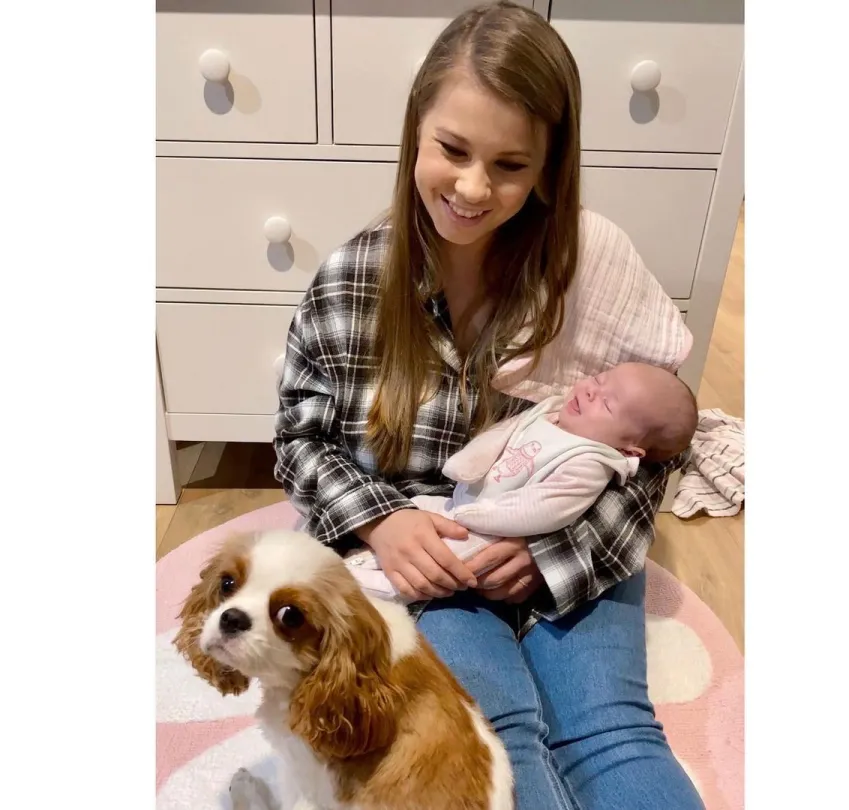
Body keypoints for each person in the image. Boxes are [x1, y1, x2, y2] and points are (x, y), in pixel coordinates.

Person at [274, 2, 705, 807]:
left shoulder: (592, 261)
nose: (472, 188)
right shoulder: (353, 282)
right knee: (492, 729)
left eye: (509, 165)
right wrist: (383, 521)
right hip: (437, 553)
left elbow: (663, 441)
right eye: (452, 150)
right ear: (415, 133)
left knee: (610, 730)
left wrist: (560, 551)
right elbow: (301, 440)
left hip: (575, 537)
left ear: (548, 167)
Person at [343, 362, 699, 604]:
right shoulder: (553, 411)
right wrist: (463, 467)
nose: (590, 391)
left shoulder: (591, 460)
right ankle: (364, 558)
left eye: (606, 404)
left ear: (628, 447)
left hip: (493, 531)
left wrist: (479, 517)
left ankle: (371, 587)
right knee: (408, 512)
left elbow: (544, 510)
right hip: (461, 501)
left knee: (440, 567)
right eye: (599, 379)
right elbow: (500, 435)